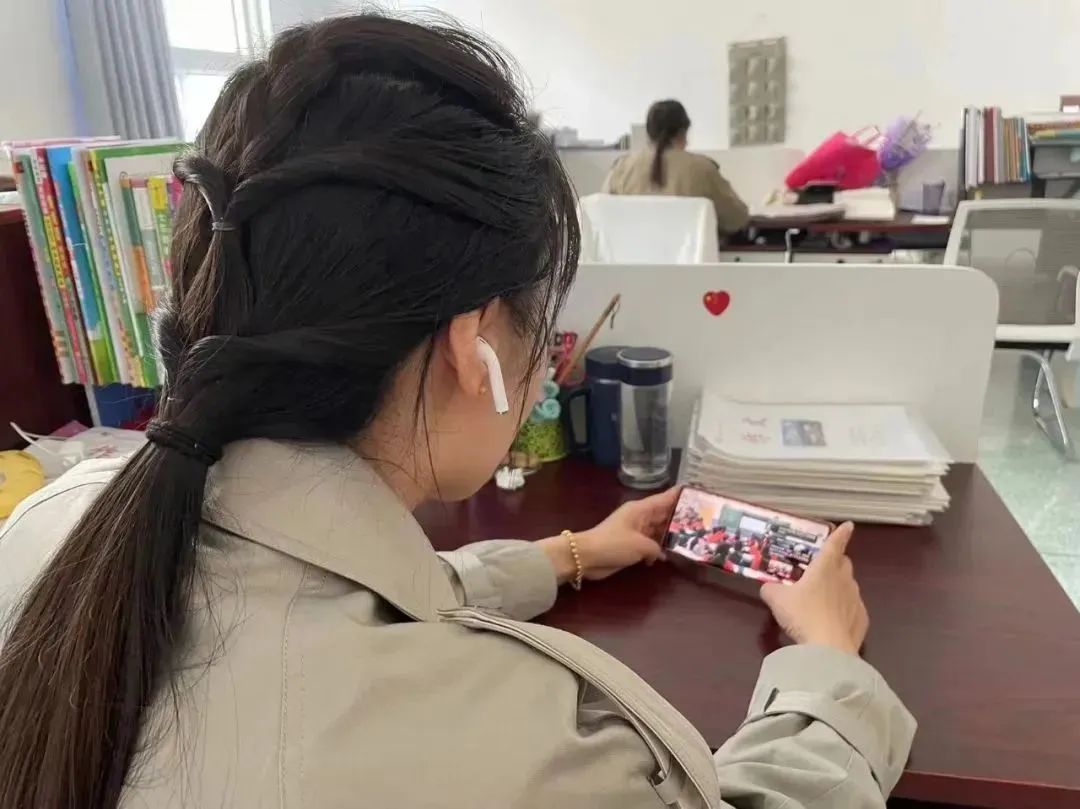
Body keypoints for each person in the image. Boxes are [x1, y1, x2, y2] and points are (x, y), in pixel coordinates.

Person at [0, 15, 913, 809]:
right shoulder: (514, 748)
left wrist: (564, 555)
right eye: (538, 325)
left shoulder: (56, 522)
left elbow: (302, 594)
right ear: (473, 347)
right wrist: (830, 668)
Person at [604, 99, 750, 240]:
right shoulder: (703, 169)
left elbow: (603, 217)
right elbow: (736, 219)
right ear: (683, 132)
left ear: (648, 133)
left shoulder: (621, 168)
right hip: (689, 257)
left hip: (633, 256)